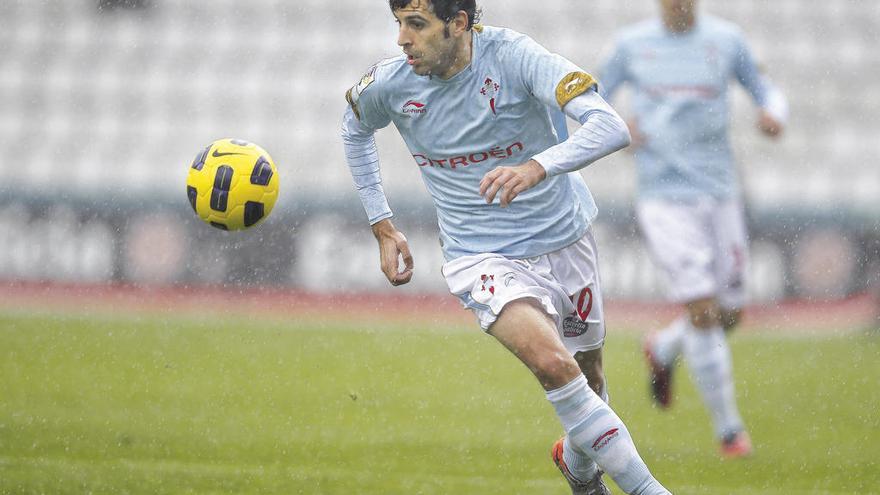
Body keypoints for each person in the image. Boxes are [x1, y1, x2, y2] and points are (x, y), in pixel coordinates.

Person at [341, 1, 673, 494]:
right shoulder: (390, 84)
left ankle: (580, 471)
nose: (402, 40)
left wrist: (538, 166)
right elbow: (354, 130)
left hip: (565, 238)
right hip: (481, 257)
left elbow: (611, 127)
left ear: (458, 24)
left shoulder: (516, 57)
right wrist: (382, 223)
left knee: (589, 373)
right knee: (553, 365)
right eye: (399, 25)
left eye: (416, 24)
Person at [598, 0, 786, 458]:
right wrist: (618, 126)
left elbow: (766, 90)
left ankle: (663, 346)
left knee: (729, 314)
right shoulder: (631, 44)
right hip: (663, 198)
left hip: (721, 194)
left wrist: (774, 114)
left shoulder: (725, 39)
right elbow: (589, 100)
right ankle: (730, 433)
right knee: (702, 308)